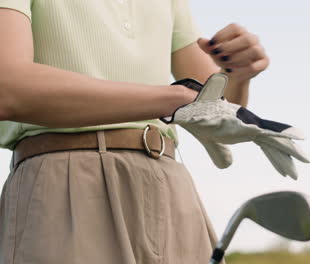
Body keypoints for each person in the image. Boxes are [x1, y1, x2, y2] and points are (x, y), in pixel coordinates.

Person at [0, 0, 269, 263]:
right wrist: (171, 100)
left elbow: (213, 112)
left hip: (171, 187)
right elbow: (8, 89)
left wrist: (236, 75)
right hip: (68, 185)